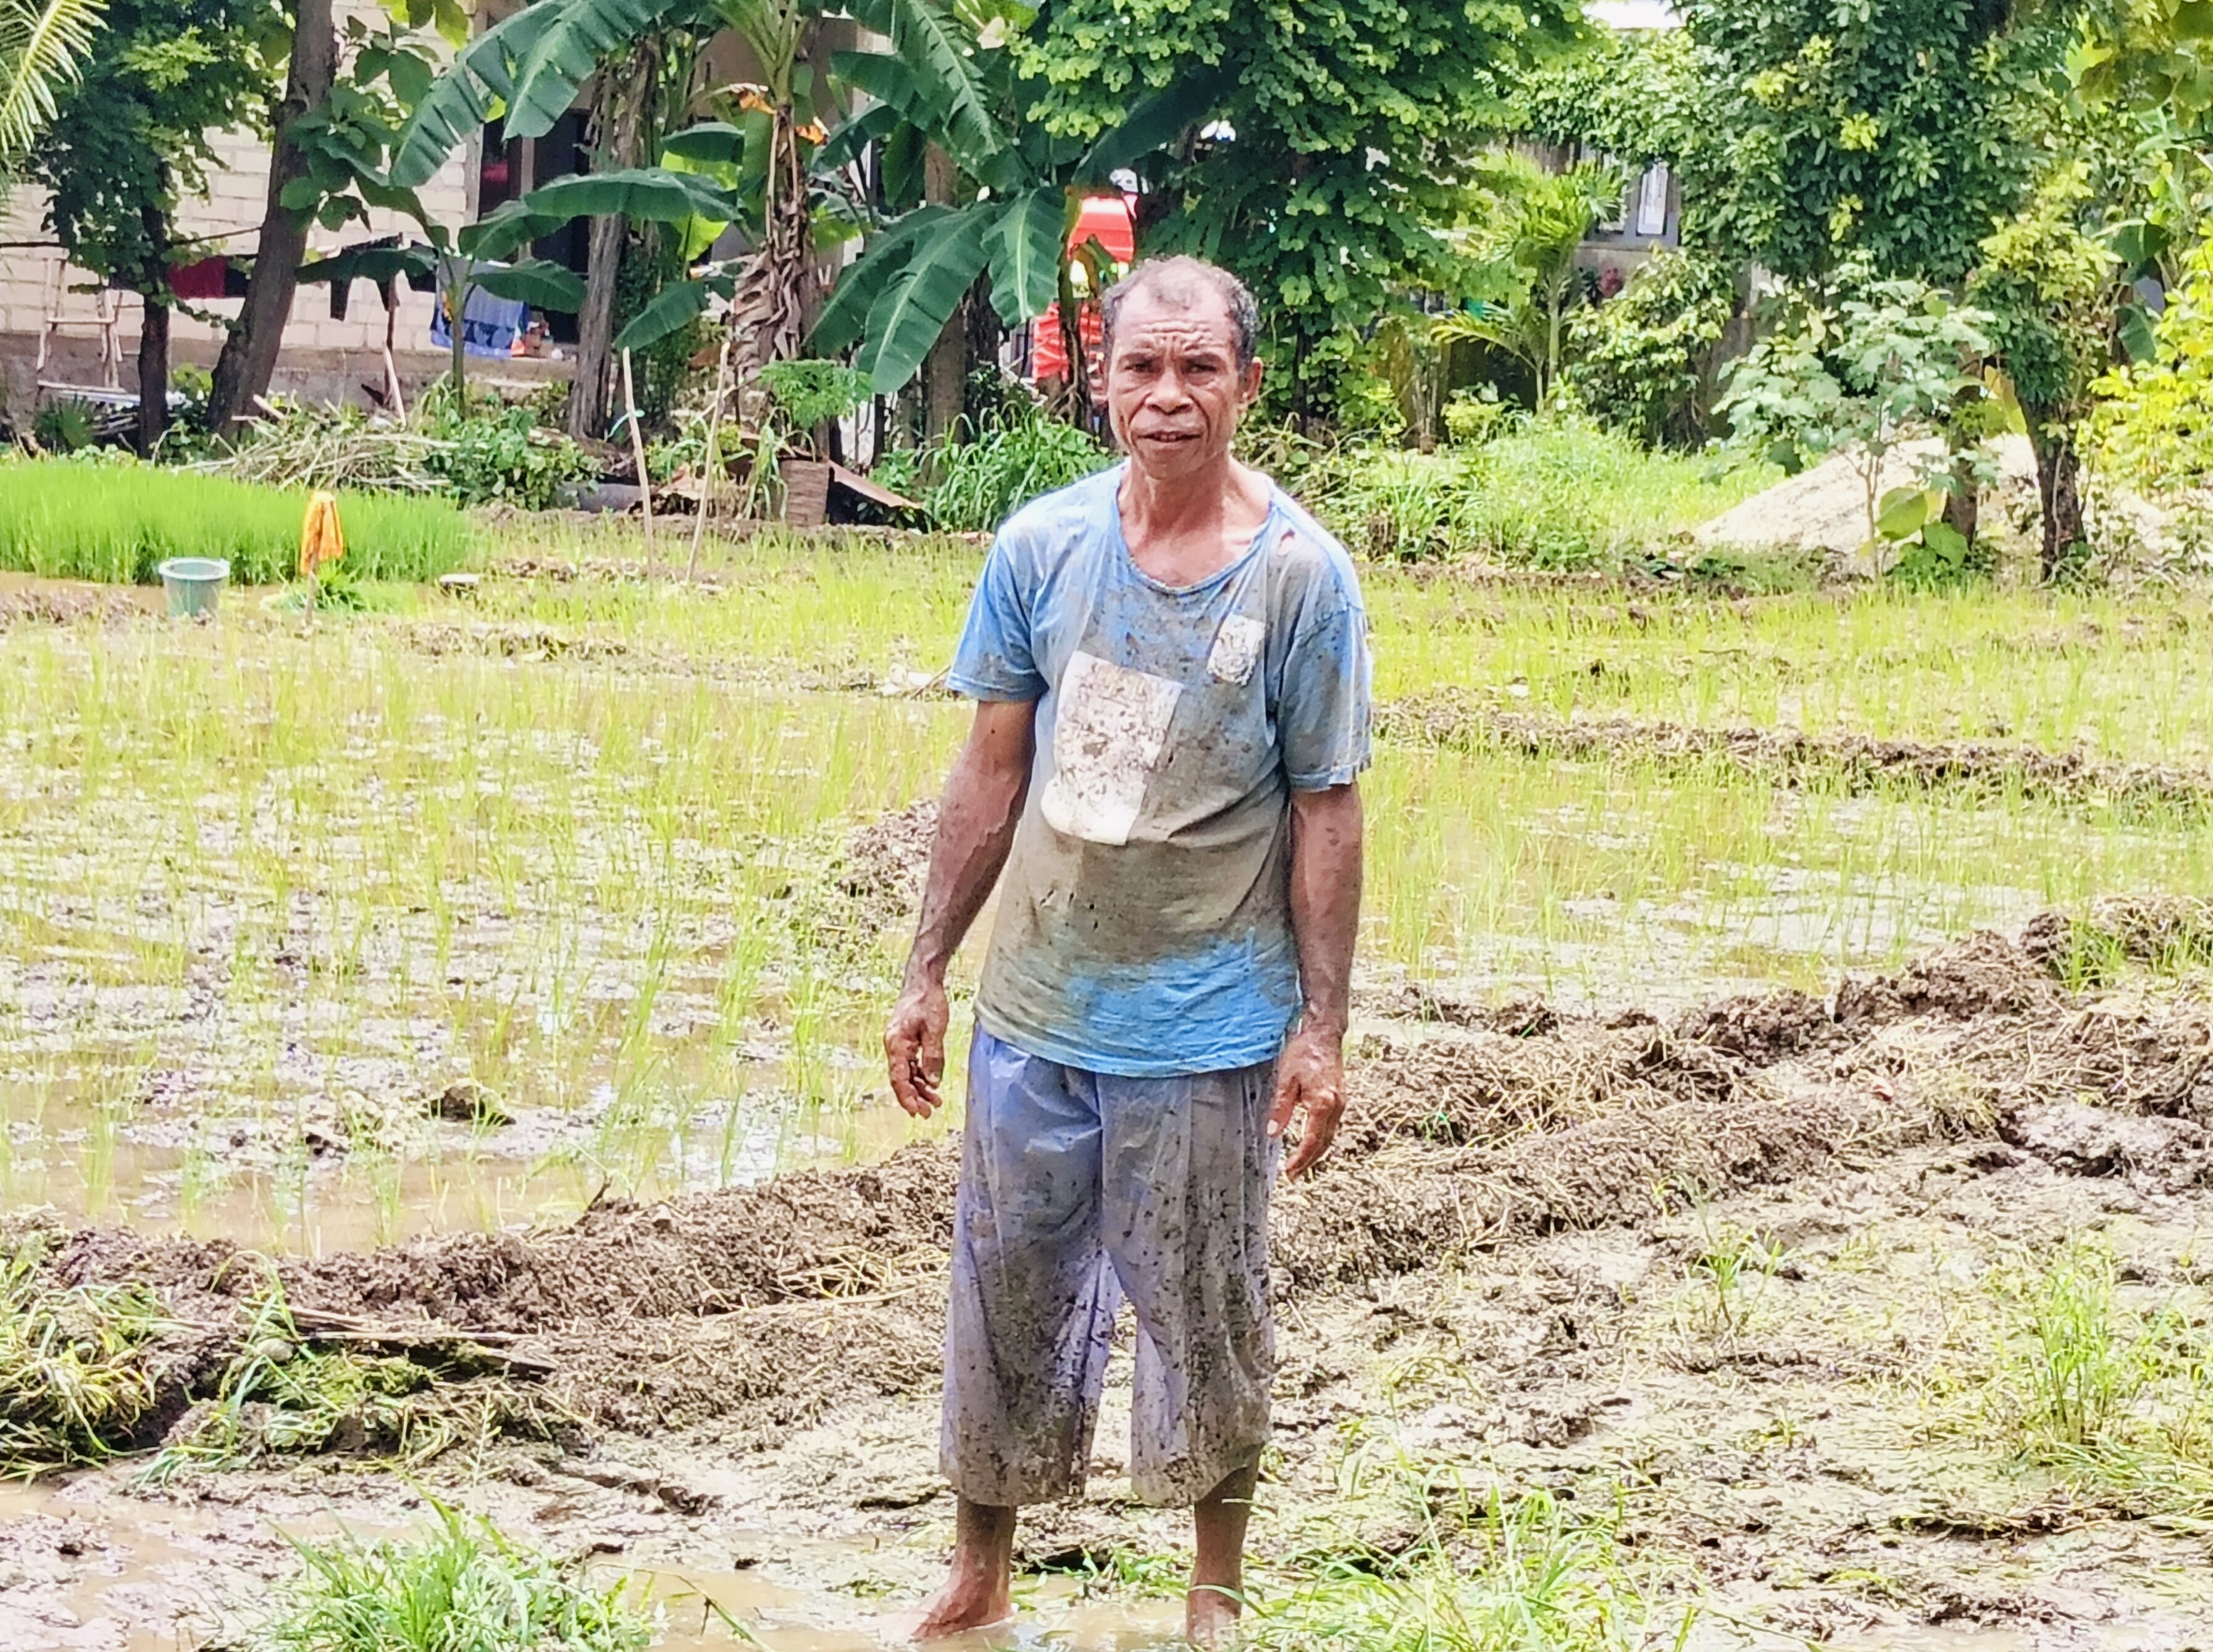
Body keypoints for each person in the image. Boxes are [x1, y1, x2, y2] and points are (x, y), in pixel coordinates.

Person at [883, 255, 1371, 1646]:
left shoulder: (1299, 583)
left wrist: (1320, 1030)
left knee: (1205, 1310)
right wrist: (927, 967)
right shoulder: (1040, 549)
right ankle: (981, 1577)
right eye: (1140, 369)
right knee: (1003, 1294)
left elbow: (1329, 810)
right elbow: (991, 770)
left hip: (1209, 1020)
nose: (1167, 398)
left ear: (1244, 386)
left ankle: (1211, 1602)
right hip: (1035, 1002)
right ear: (1098, 380)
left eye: (1197, 369)